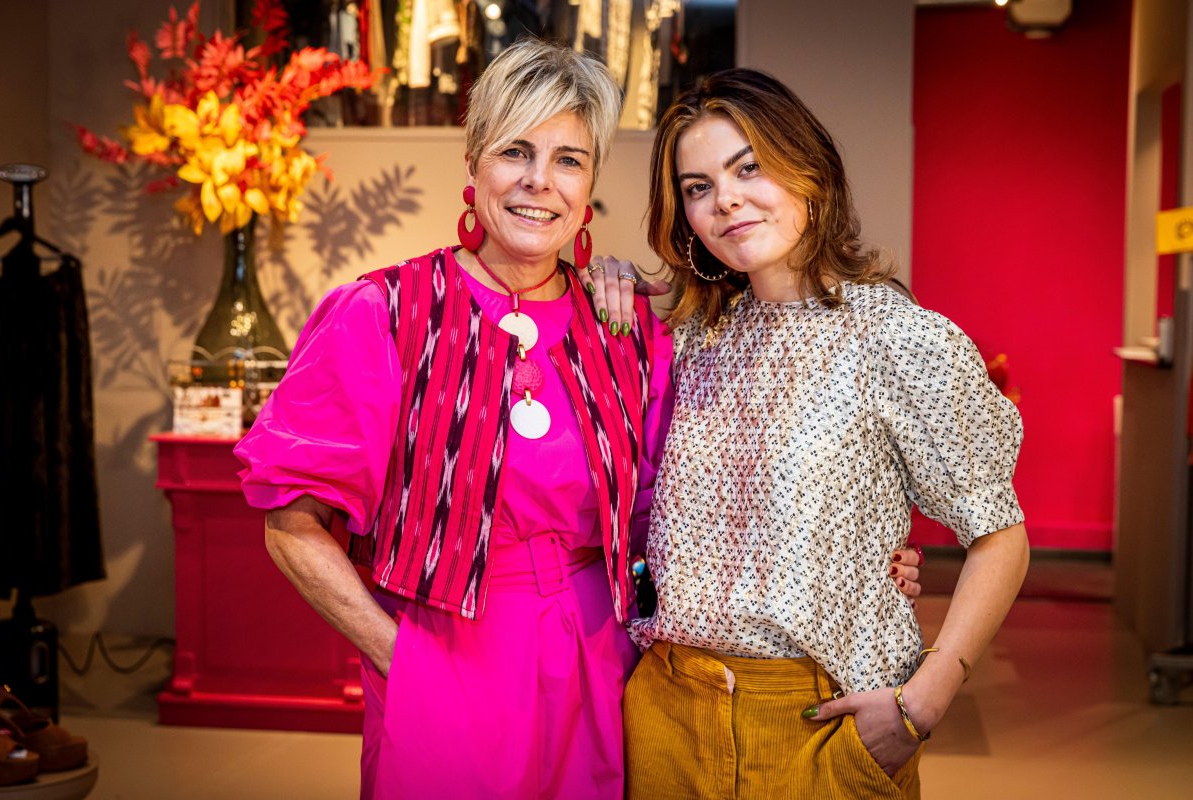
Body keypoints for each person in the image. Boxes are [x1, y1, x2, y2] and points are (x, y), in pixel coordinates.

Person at [236, 40, 922, 799]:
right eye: (515, 152)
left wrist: (863, 556)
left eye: (569, 159)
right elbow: (290, 524)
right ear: (474, 163)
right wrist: (404, 662)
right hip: (445, 650)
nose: (539, 182)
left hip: (607, 659)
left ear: (592, 181)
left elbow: (703, 500)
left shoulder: (628, 330)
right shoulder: (385, 313)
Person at [584, 69, 1029, 800]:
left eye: (748, 168)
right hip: (665, 716)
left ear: (809, 171)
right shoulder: (689, 340)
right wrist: (603, 280)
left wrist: (925, 699)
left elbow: (1000, 536)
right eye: (697, 187)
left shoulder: (898, 339)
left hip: (817, 724)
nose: (724, 199)